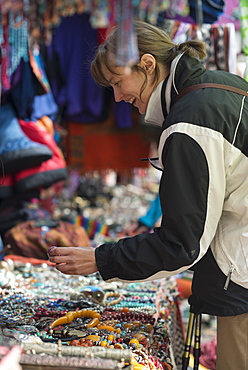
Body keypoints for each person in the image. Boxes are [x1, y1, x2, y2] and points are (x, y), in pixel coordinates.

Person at [48, 21, 248, 370]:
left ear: (147, 65)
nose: (117, 97)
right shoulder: (219, 87)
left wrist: (99, 259)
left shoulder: (190, 123)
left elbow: (181, 245)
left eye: (117, 82)